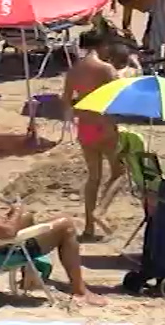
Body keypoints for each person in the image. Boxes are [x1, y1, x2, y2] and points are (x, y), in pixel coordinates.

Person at [61, 30, 121, 240]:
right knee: (119, 173)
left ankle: (88, 228)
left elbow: (67, 101)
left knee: (93, 177)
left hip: (85, 128)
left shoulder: (74, 71)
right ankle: (100, 212)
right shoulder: (106, 69)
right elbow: (116, 99)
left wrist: (78, 113)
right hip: (104, 125)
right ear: (101, 46)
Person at [0, 206, 106, 305]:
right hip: (4, 255)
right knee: (66, 225)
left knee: (26, 216)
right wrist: (17, 210)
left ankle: (29, 277)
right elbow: (9, 232)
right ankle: (79, 290)